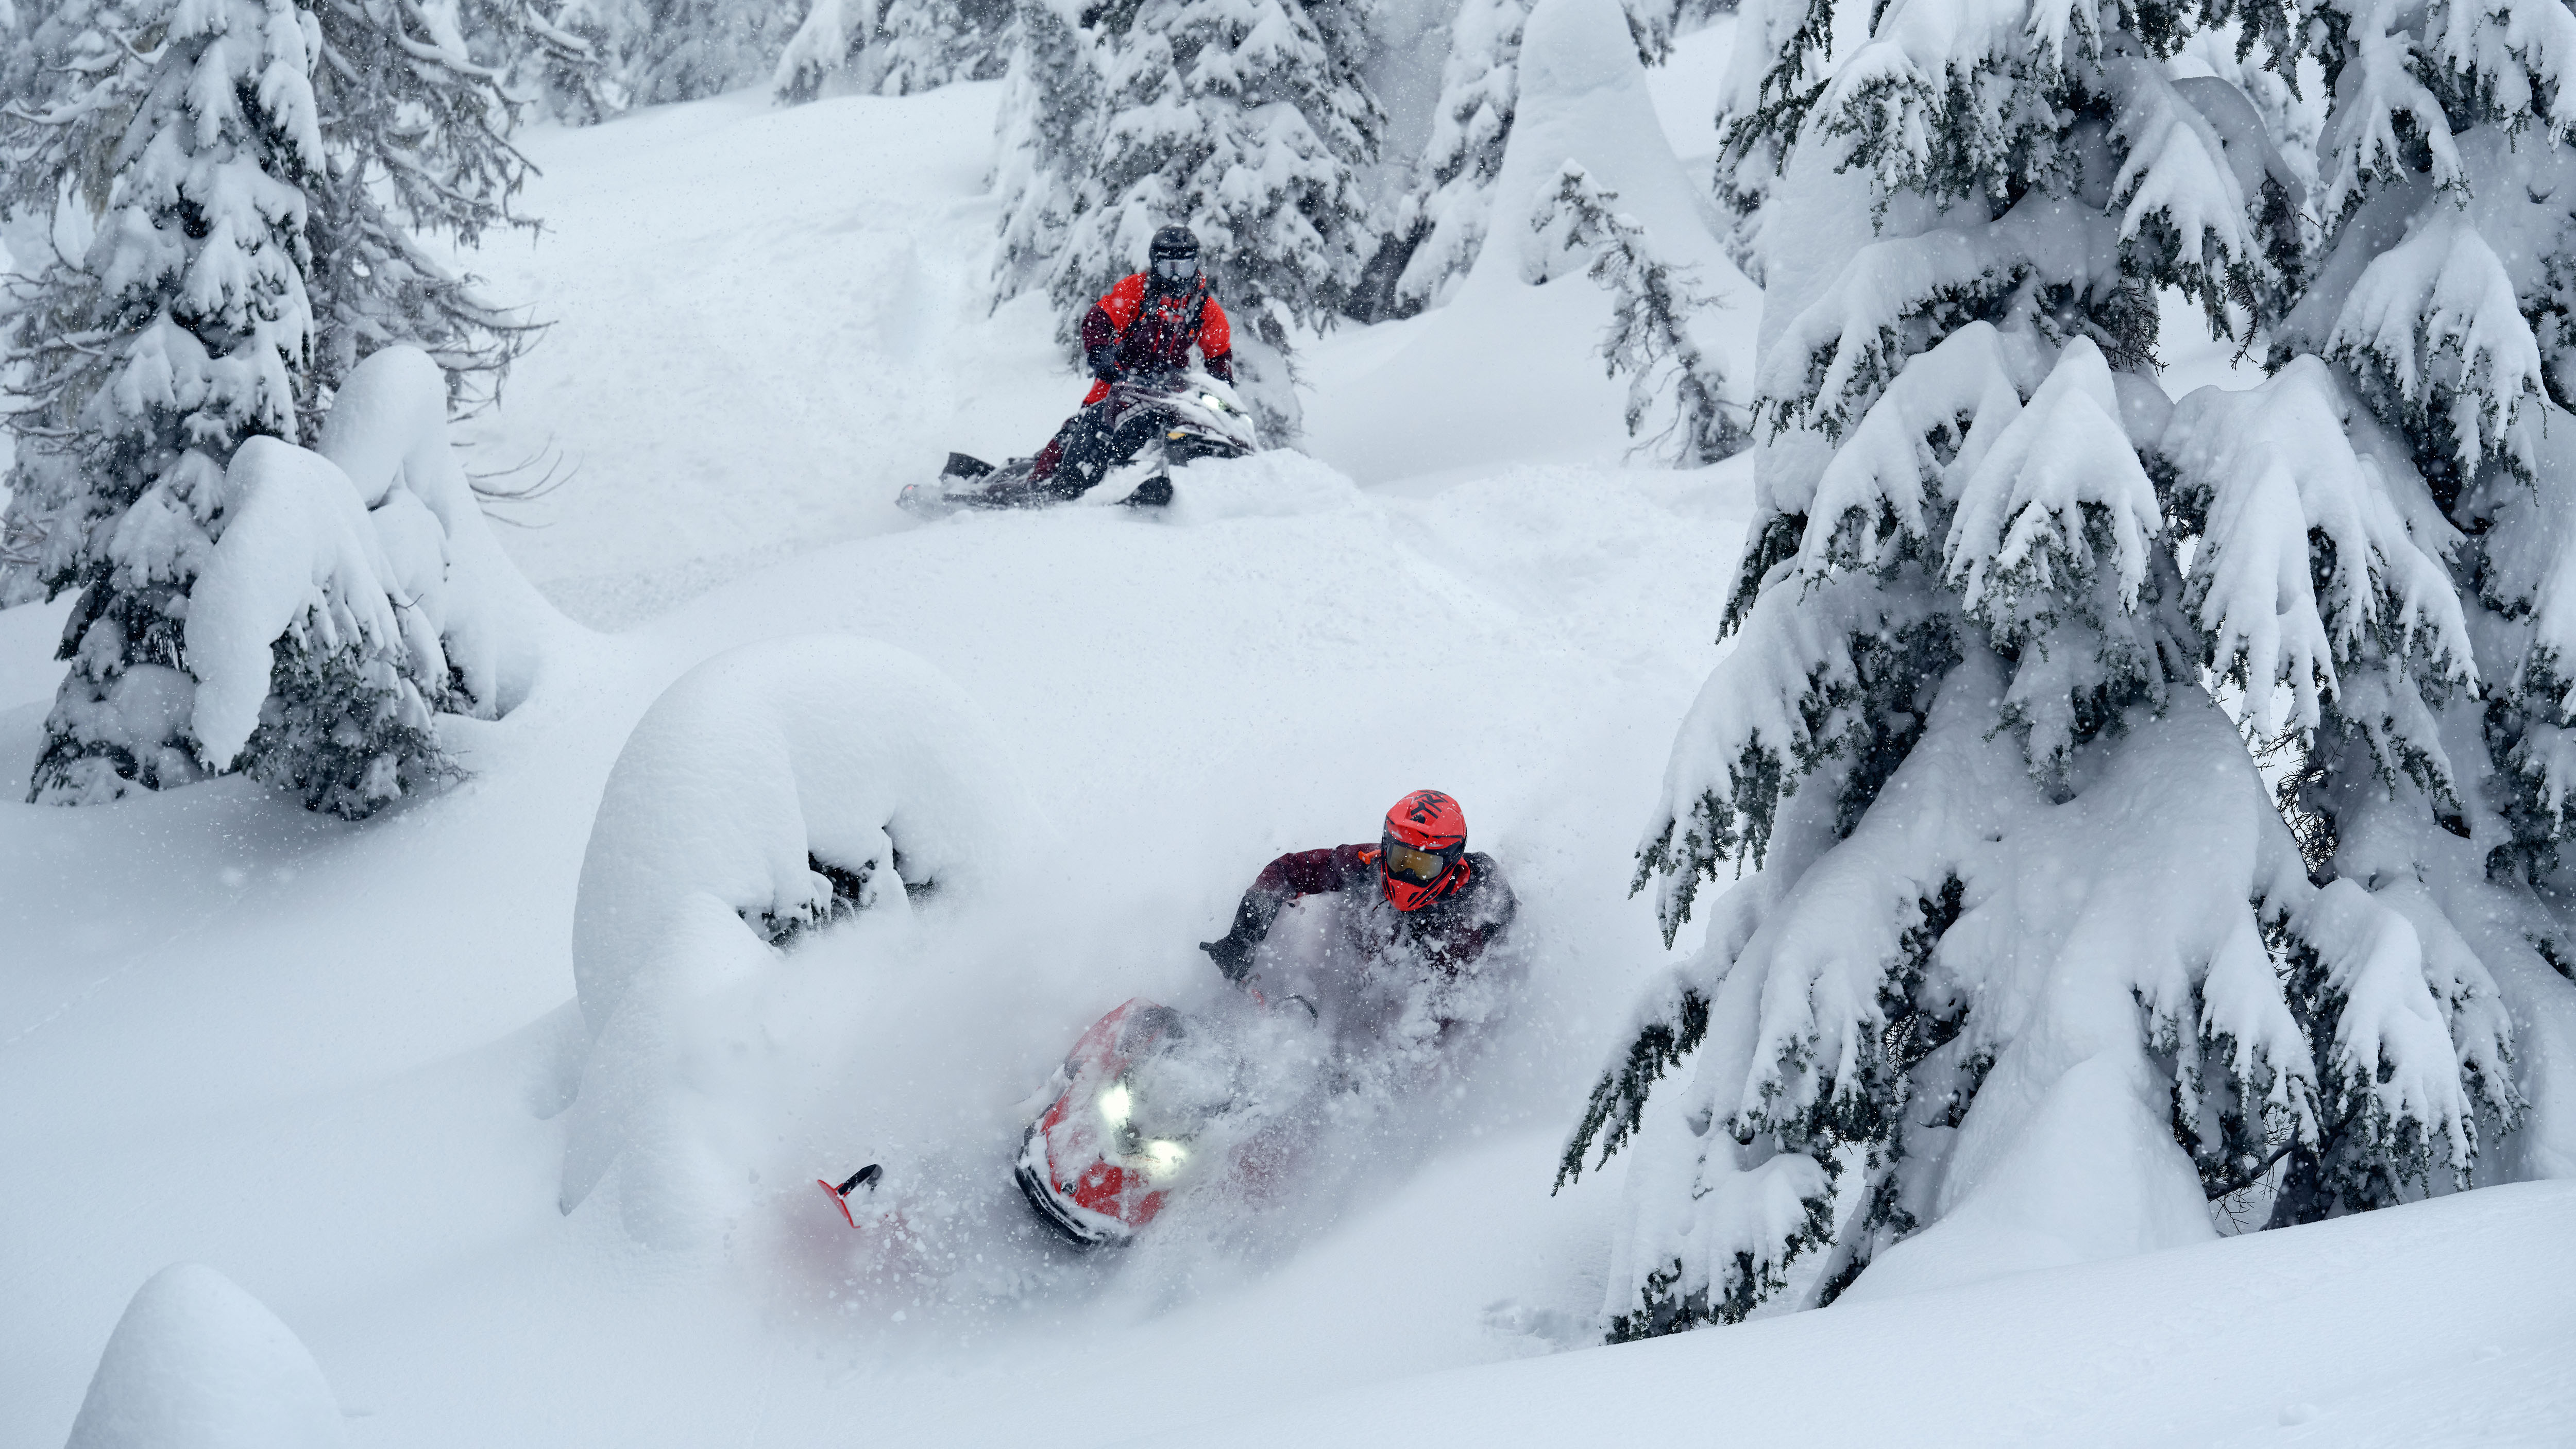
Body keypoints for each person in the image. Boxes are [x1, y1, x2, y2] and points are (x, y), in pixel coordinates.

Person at [1198, 790, 1516, 994]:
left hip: (1435, 1010)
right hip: (1358, 990)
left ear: (1451, 860)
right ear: (1386, 846)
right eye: (1400, 858)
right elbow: (1288, 871)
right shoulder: (1366, 863)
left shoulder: (1482, 885)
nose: (1406, 874)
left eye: (1423, 866)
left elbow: (1510, 925)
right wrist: (1244, 936)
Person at [1026, 226, 1234, 493]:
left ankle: (1199, 480)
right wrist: (1101, 355)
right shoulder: (1138, 290)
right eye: (1168, 268)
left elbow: (1219, 353)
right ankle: (1042, 481)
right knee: (1084, 423)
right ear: (1155, 264)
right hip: (1121, 379)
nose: (1176, 276)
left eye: (1183, 268)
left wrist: (1222, 387)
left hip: (1170, 388)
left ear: (1195, 265)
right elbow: (1099, 320)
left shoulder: (1204, 307)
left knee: (1196, 425)